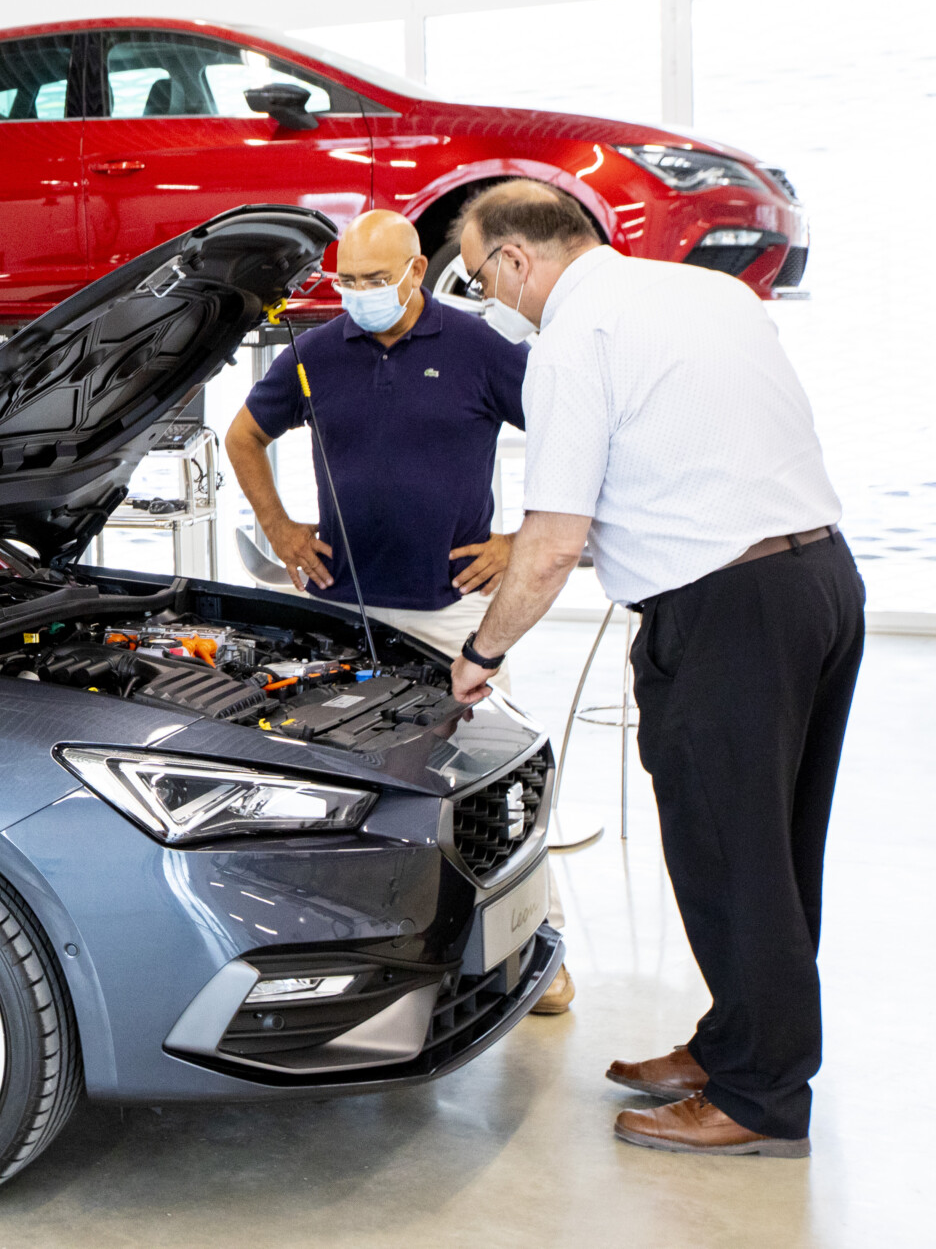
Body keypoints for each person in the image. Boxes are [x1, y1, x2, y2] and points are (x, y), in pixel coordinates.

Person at [446, 181, 859, 1159]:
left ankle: (759, 1101)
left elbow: (547, 545)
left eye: (475, 274)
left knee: (728, 857)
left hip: (723, 609)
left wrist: (481, 652)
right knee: (779, 852)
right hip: (819, 579)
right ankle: (736, 1046)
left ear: (514, 260)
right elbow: (693, 446)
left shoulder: (569, 345)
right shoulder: (703, 293)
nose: (487, 296)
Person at [226, 209, 573, 1016]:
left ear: (418, 273)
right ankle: (367, 963)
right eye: (347, 281)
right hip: (338, 611)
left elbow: (571, 435)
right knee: (351, 802)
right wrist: (279, 527)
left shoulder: (478, 349)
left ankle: (537, 949)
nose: (359, 295)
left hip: (455, 617)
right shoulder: (314, 355)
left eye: (375, 280)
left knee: (496, 793)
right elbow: (245, 434)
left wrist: (520, 541)